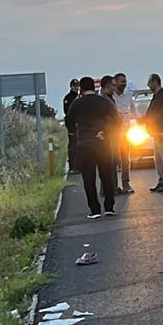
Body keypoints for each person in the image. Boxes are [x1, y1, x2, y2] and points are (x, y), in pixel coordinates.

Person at [65, 74, 119, 218]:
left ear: (81, 89)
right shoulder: (104, 102)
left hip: (84, 144)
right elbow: (117, 121)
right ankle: (109, 207)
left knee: (89, 178)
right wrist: (105, 132)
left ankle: (95, 210)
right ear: (94, 87)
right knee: (106, 176)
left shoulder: (77, 103)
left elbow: (68, 121)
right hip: (103, 144)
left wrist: (75, 132)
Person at [110, 72, 136, 194]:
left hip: (126, 133)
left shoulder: (129, 96)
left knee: (126, 159)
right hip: (114, 134)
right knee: (115, 160)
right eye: (122, 82)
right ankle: (114, 186)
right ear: (115, 82)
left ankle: (126, 183)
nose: (124, 84)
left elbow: (134, 111)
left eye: (125, 82)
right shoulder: (111, 97)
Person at [62, 79, 81, 175]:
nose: (76, 87)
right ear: (71, 86)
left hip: (80, 124)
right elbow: (67, 112)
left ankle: (79, 165)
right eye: (75, 86)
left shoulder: (80, 97)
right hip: (72, 125)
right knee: (73, 145)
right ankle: (73, 166)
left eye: (78, 85)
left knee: (80, 145)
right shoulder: (68, 98)